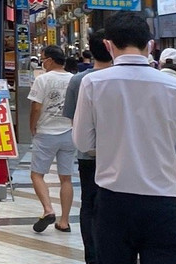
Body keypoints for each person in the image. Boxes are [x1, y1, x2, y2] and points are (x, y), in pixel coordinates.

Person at [73, 12, 176, 264]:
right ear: (150, 45)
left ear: (108, 46)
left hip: (113, 201)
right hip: (164, 201)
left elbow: (83, 143)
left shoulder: (93, 83)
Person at [64, 30, 113, 264]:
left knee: (89, 203)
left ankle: (92, 256)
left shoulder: (78, 80)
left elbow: (73, 119)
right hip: (119, 155)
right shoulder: (123, 78)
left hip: (88, 155)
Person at [29, 44, 76, 233]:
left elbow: (36, 108)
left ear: (49, 59)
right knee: (66, 178)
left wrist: (32, 126)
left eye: (43, 58)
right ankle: (64, 221)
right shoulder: (74, 80)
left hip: (46, 133)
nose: (42, 61)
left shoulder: (43, 80)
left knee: (37, 174)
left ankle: (48, 209)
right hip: (69, 132)